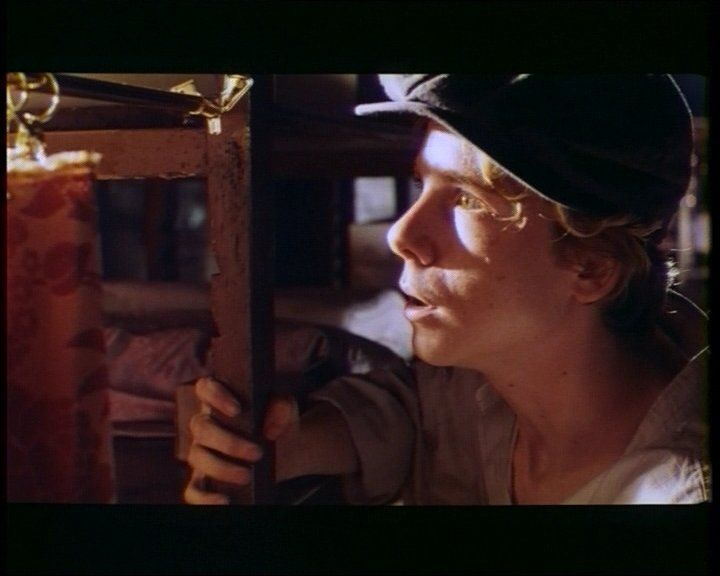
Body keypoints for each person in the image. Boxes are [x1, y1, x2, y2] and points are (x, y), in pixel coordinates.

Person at [184, 74, 710, 505]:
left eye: (468, 200)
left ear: (592, 268)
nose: (401, 235)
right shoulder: (492, 382)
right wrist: (289, 444)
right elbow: (420, 412)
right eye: (421, 184)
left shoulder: (679, 490)